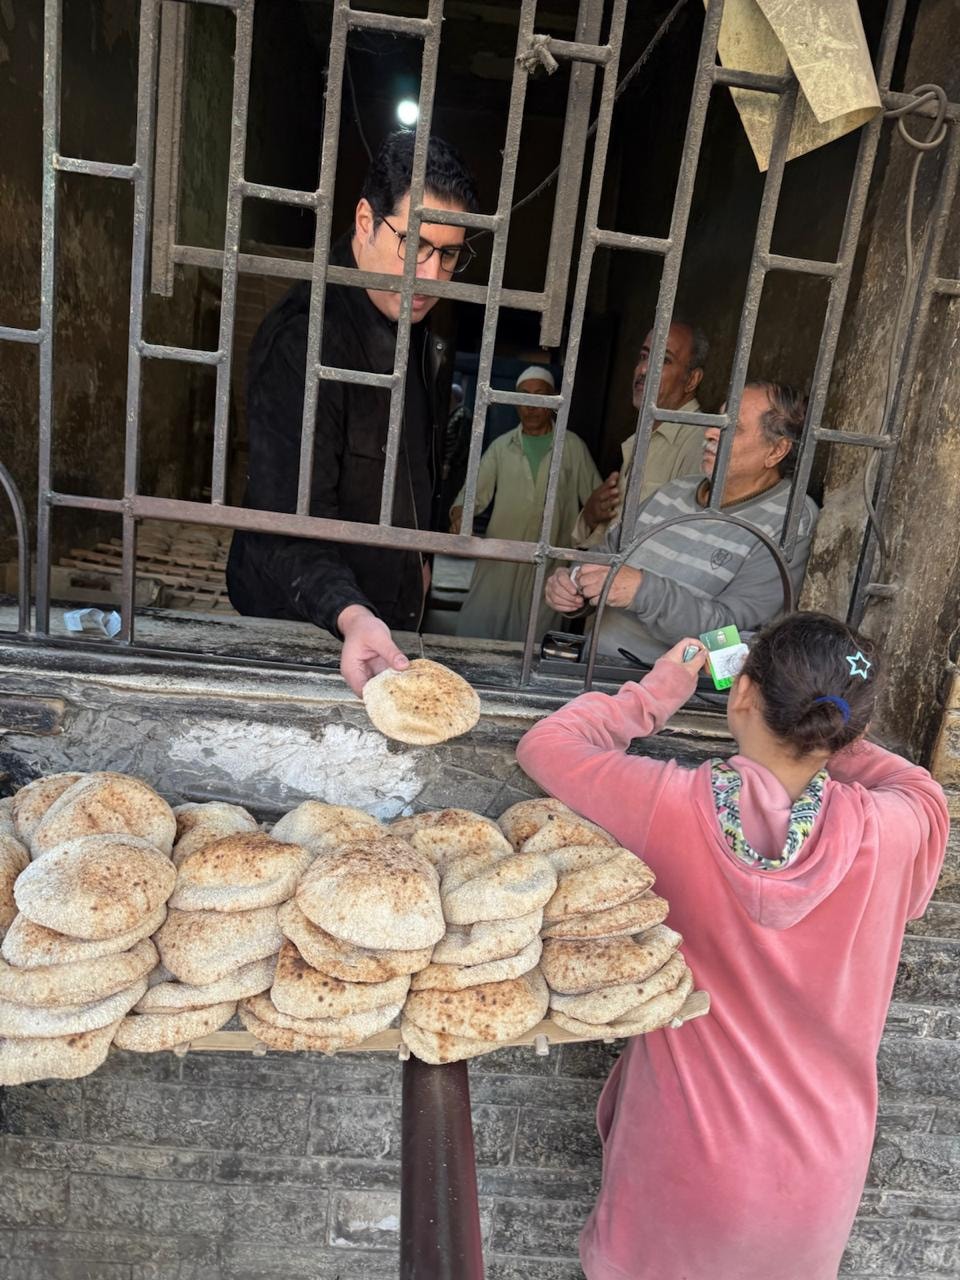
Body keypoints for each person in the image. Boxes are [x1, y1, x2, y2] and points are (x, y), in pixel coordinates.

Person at [516, 612, 948, 1280]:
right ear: (850, 726)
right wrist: (828, 730)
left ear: (741, 691)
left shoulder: (669, 804)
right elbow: (917, 783)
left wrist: (660, 689)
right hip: (817, 1177)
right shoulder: (901, 825)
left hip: (684, 1157)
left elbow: (547, 745)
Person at [226, 131, 480, 694]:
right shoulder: (303, 340)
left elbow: (420, 460)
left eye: (448, 254)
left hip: (386, 623)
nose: (430, 275)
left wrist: (421, 551)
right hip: (306, 631)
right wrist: (350, 612)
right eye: (415, 244)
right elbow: (284, 523)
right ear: (366, 220)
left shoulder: (418, 324)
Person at [546, 380, 819, 664]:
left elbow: (735, 643)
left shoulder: (788, 522)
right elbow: (604, 555)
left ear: (776, 451)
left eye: (733, 428)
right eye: (717, 421)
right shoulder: (674, 491)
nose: (710, 432)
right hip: (592, 667)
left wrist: (643, 592)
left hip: (666, 686)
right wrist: (573, 585)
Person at [449, 366, 601, 642]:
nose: (530, 406)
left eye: (539, 395)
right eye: (524, 396)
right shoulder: (501, 447)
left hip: (549, 566)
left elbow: (596, 503)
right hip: (500, 562)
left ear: (554, 400)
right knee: (479, 632)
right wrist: (461, 517)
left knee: (534, 640)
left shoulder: (572, 447)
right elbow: (470, 496)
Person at [572, 318, 709, 547]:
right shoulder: (641, 440)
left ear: (692, 380)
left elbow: (688, 545)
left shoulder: (701, 444)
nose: (644, 369)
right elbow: (613, 537)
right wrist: (590, 516)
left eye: (664, 360)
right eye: (644, 356)